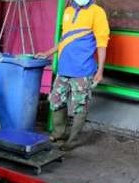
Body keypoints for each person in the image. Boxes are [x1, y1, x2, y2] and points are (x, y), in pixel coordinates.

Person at [36, 0, 109, 151]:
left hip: (83, 70)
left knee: (80, 105)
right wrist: (48, 52)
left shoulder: (97, 12)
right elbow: (65, 39)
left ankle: (73, 140)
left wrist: (100, 70)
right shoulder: (68, 11)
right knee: (56, 100)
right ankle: (59, 134)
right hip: (64, 68)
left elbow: (102, 43)